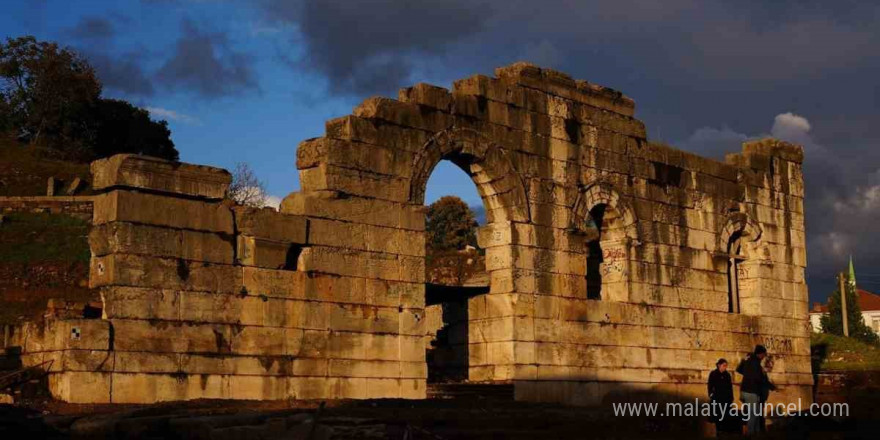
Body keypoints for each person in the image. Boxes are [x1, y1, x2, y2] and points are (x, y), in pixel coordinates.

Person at [736, 345, 776, 436]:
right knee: (753, 415)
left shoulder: (749, 361)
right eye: (763, 354)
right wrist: (772, 387)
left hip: (746, 391)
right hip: (751, 391)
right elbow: (760, 379)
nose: (763, 357)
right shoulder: (755, 363)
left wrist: (743, 361)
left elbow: (739, 370)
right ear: (760, 354)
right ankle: (751, 434)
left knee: (756, 413)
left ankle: (756, 433)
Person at [707, 358, 738, 434]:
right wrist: (711, 394)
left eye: (726, 366)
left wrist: (731, 397)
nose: (725, 367)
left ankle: (724, 430)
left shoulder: (727, 375)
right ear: (719, 365)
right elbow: (710, 385)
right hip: (717, 398)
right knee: (717, 414)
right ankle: (718, 429)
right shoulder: (714, 373)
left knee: (725, 414)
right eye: (724, 365)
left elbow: (729, 387)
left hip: (725, 399)